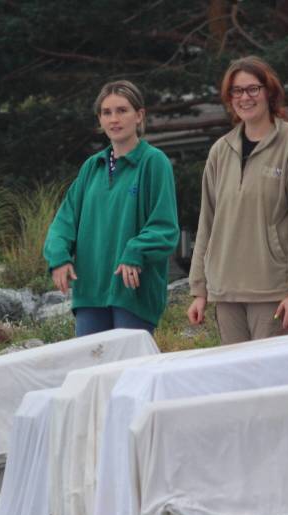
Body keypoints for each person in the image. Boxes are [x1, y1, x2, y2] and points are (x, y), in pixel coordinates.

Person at [187, 56, 288, 345]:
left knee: (275, 383)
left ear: (269, 92)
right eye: (236, 91)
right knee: (238, 385)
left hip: (274, 293)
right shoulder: (220, 150)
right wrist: (199, 290)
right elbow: (207, 223)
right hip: (225, 292)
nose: (245, 98)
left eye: (253, 89)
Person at [43, 80, 180, 336]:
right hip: (89, 291)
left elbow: (165, 227)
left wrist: (135, 251)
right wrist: (59, 257)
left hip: (132, 292)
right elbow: (64, 221)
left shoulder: (154, 163)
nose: (114, 119)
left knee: (129, 372)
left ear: (139, 116)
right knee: (92, 371)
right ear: (100, 119)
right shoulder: (91, 167)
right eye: (107, 112)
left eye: (122, 110)